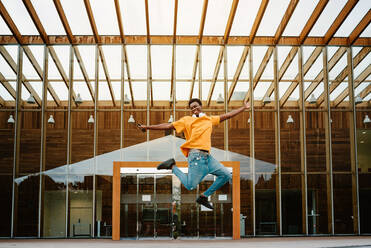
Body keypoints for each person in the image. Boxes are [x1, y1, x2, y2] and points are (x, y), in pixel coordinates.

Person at [137, 98, 250, 210]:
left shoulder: (209, 119)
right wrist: (147, 127)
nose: (194, 109)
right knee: (190, 185)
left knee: (226, 175)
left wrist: (244, 108)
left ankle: (203, 197)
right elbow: (168, 126)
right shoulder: (186, 120)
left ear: (201, 106)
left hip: (208, 158)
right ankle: (172, 166)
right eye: (191, 108)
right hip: (196, 156)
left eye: (196, 106)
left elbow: (228, 115)